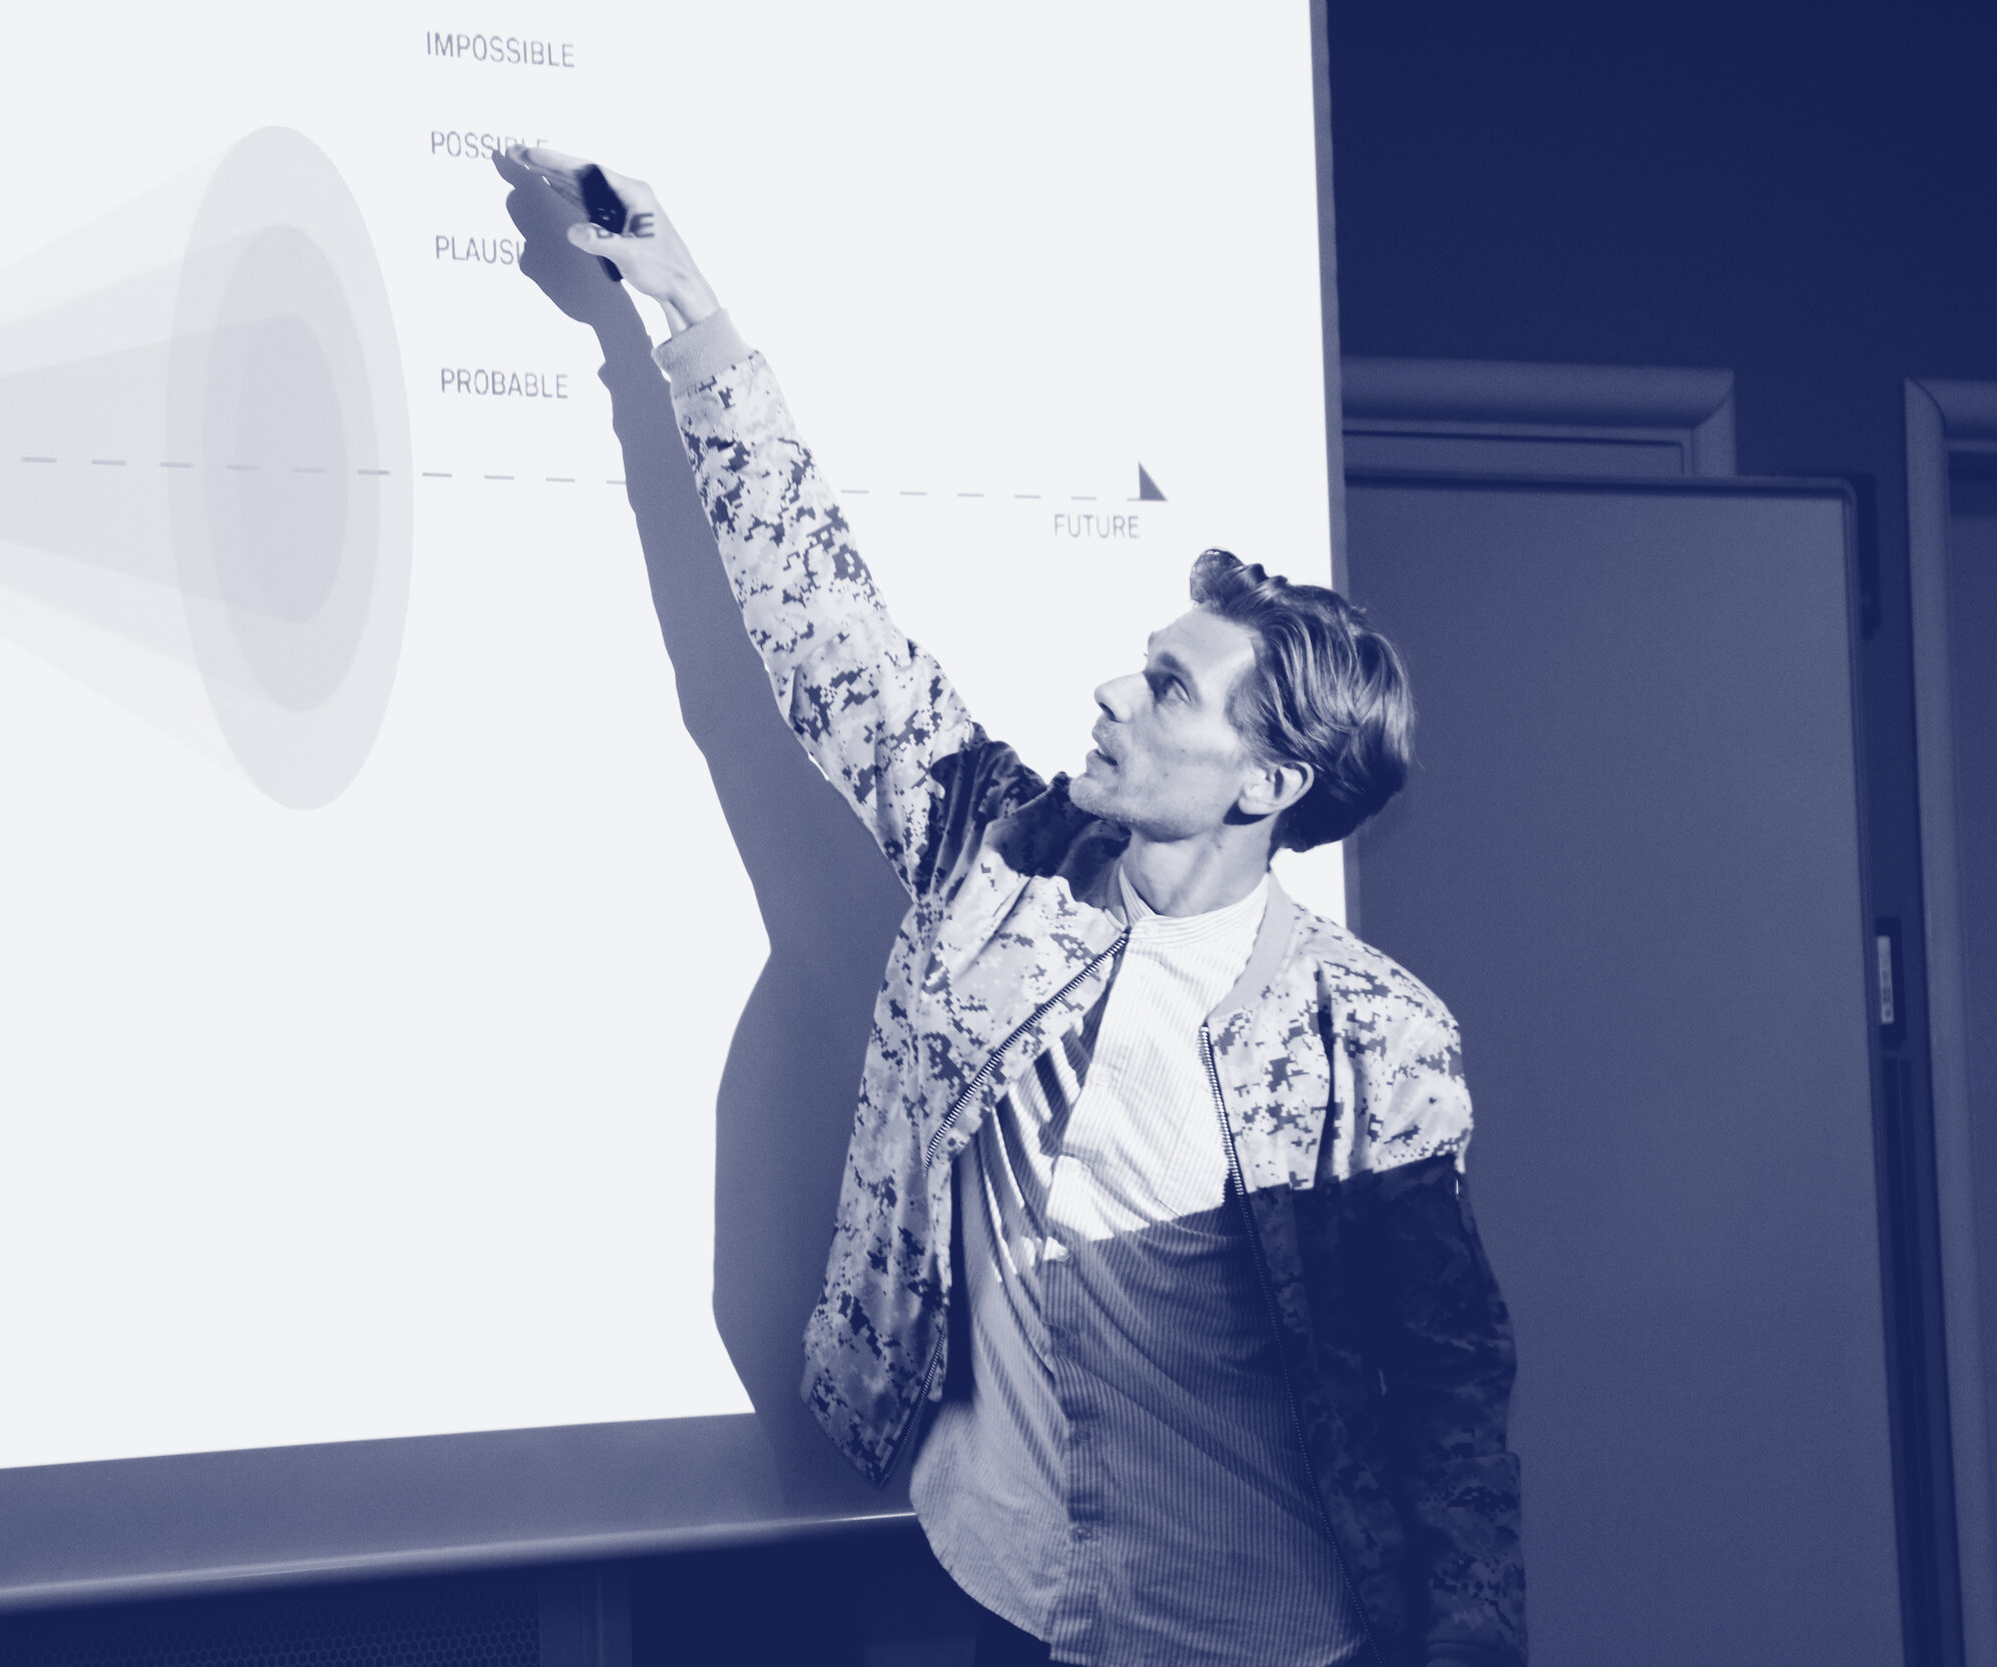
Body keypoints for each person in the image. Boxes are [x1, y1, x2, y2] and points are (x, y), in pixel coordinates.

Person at [508, 149, 1526, 1667]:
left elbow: (1450, 1402)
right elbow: (824, 619)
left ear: (1267, 784)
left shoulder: (1371, 1038)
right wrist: (685, 313)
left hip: (1250, 1633)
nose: (1113, 691)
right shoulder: (998, 854)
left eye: (1168, 688)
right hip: (991, 1588)